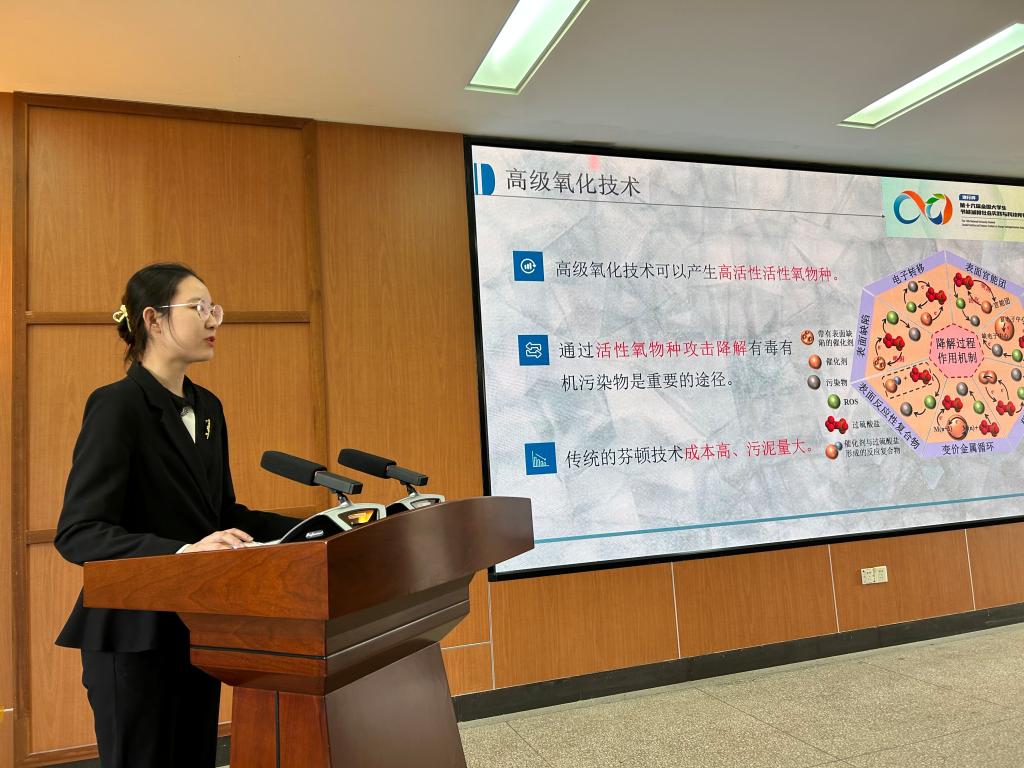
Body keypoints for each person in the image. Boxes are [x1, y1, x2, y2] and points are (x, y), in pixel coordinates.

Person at [53, 263, 297, 768]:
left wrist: (319, 529)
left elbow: (222, 514)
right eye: (199, 308)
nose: (213, 320)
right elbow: (80, 532)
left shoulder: (208, 407)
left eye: (215, 309)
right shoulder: (117, 405)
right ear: (154, 319)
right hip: (133, 633)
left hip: (197, 624)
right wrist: (184, 551)